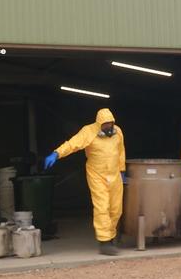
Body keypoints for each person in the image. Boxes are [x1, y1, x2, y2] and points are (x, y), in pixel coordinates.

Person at [44, 108, 126, 256]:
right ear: (99, 123)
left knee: (116, 209)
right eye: (105, 125)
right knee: (102, 206)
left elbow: (121, 151)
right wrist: (56, 153)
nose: (109, 127)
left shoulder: (118, 132)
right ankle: (104, 242)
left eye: (111, 124)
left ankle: (111, 235)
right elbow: (72, 144)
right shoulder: (88, 132)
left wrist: (122, 169)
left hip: (114, 175)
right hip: (97, 175)